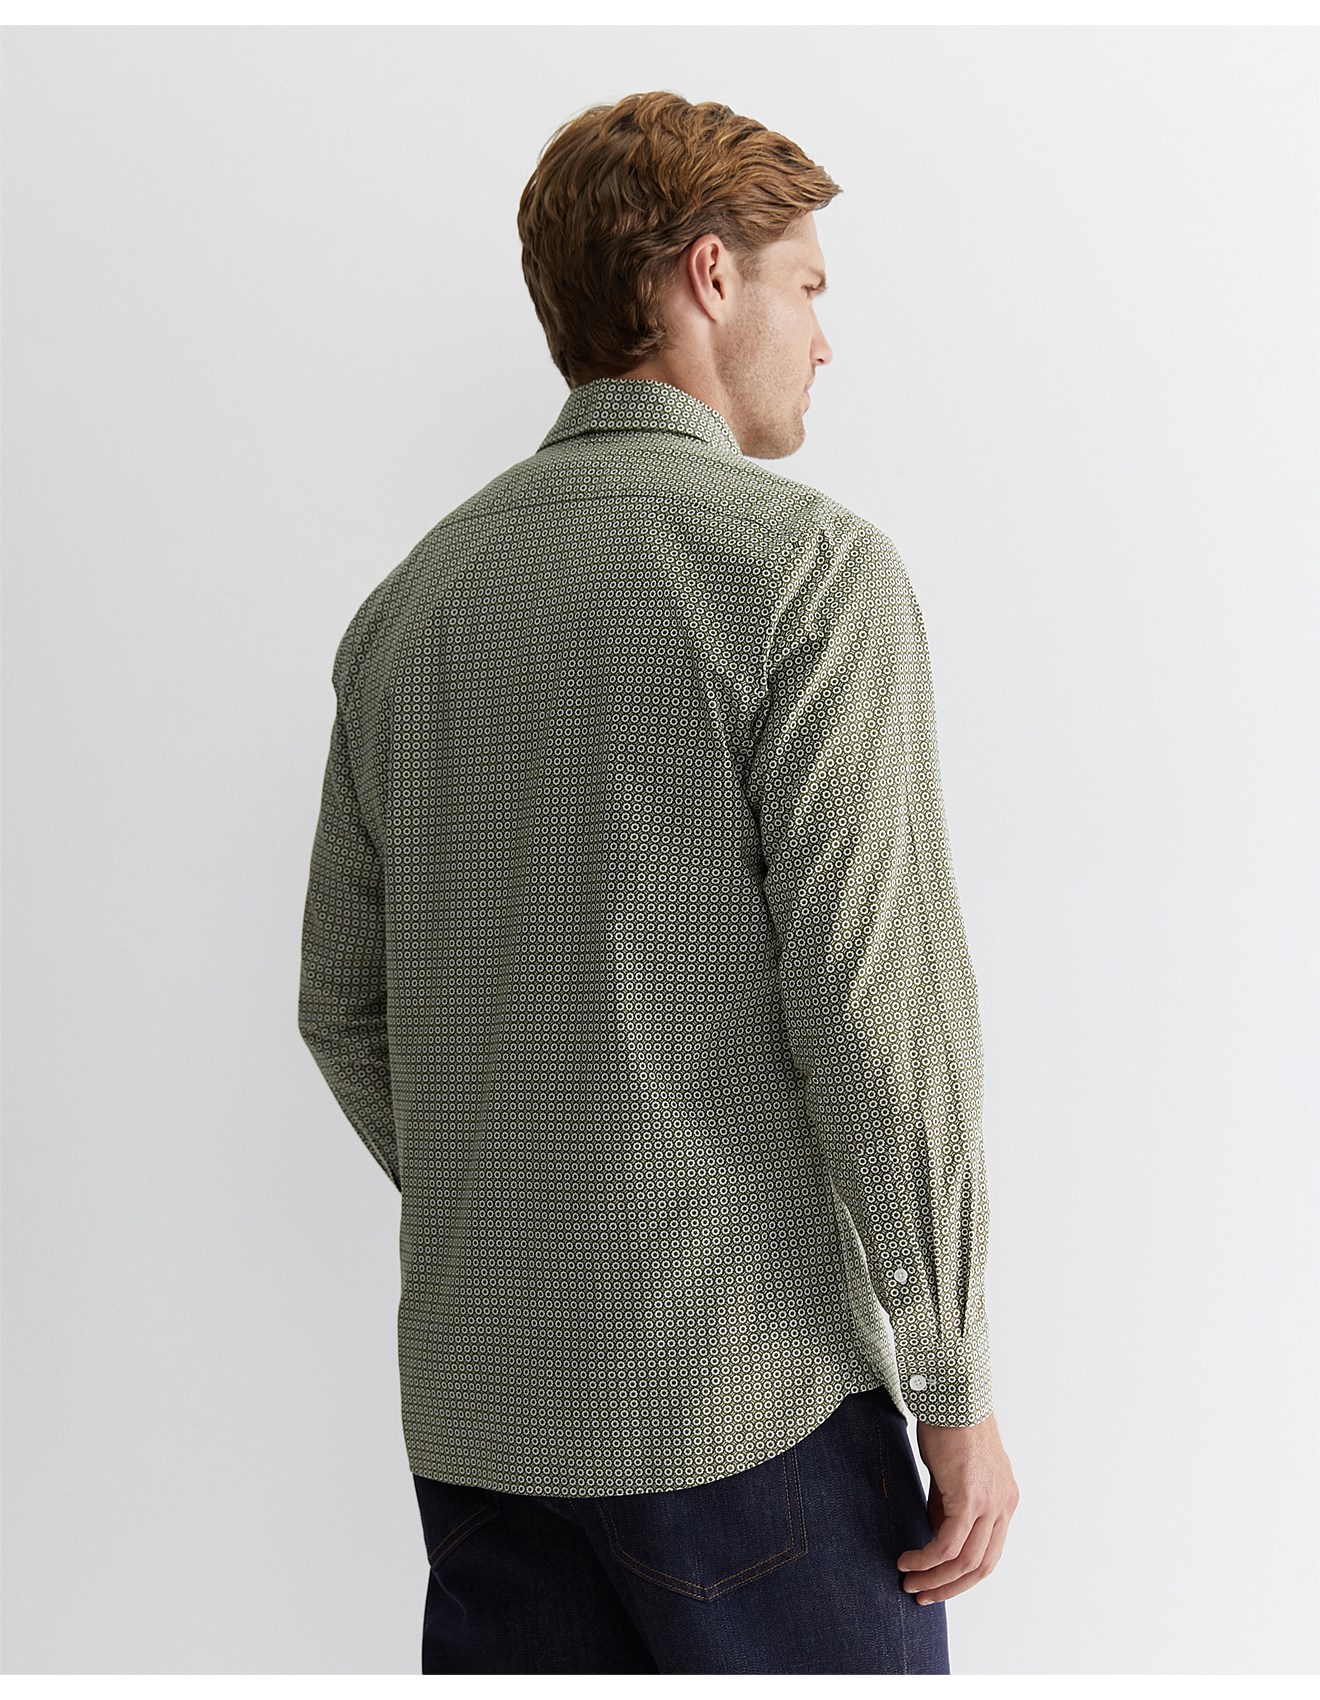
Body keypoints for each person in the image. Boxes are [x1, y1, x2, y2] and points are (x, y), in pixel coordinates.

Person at [297, 89, 1019, 1676]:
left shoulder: (409, 607)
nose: (824, 338)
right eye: (807, 285)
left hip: (484, 1419)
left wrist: (533, 1211)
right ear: (708, 276)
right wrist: (951, 1381)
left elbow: (342, 1006)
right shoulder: (807, 575)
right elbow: (879, 1016)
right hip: (749, 1405)